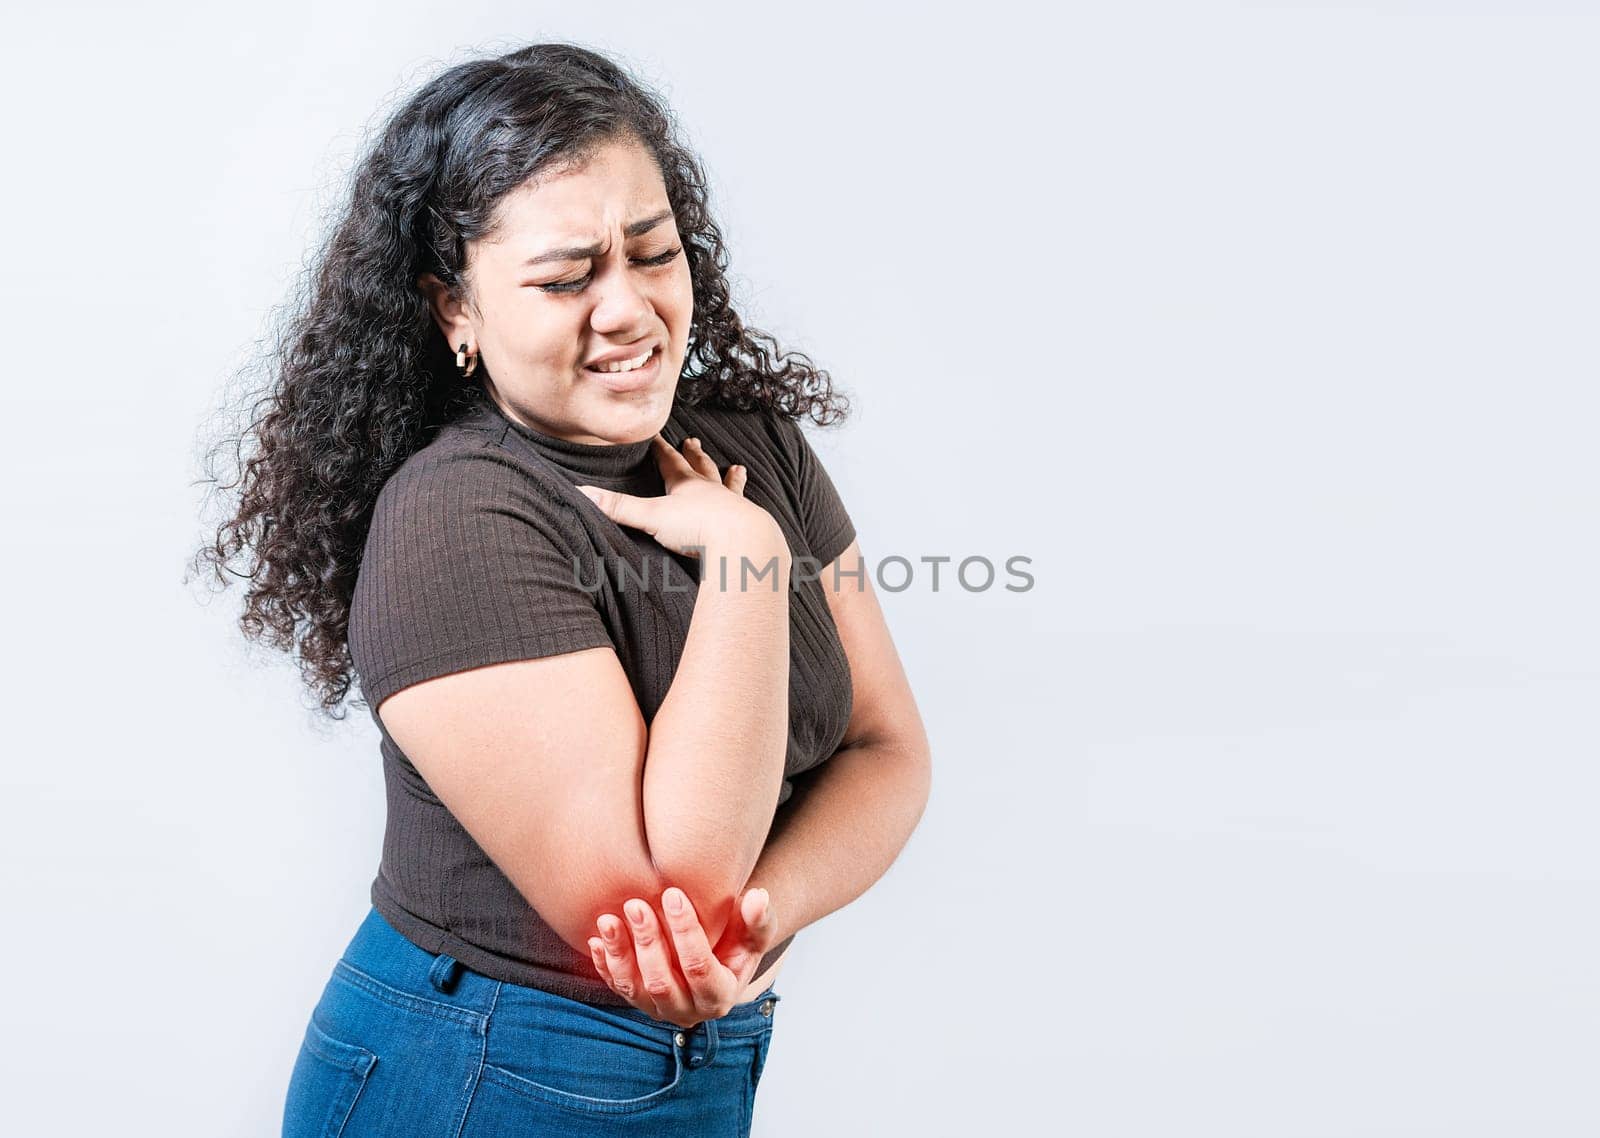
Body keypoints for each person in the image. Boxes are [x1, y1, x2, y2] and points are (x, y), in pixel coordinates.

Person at [194, 41, 931, 1137]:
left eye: (653, 252)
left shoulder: (749, 441)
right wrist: (746, 562)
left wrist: (759, 920)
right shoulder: (455, 517)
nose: (630, 310)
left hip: (705, 1052)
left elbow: (889, 748)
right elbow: (674, 880)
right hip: (482, 1068)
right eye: (566, 275)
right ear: (455, 309)